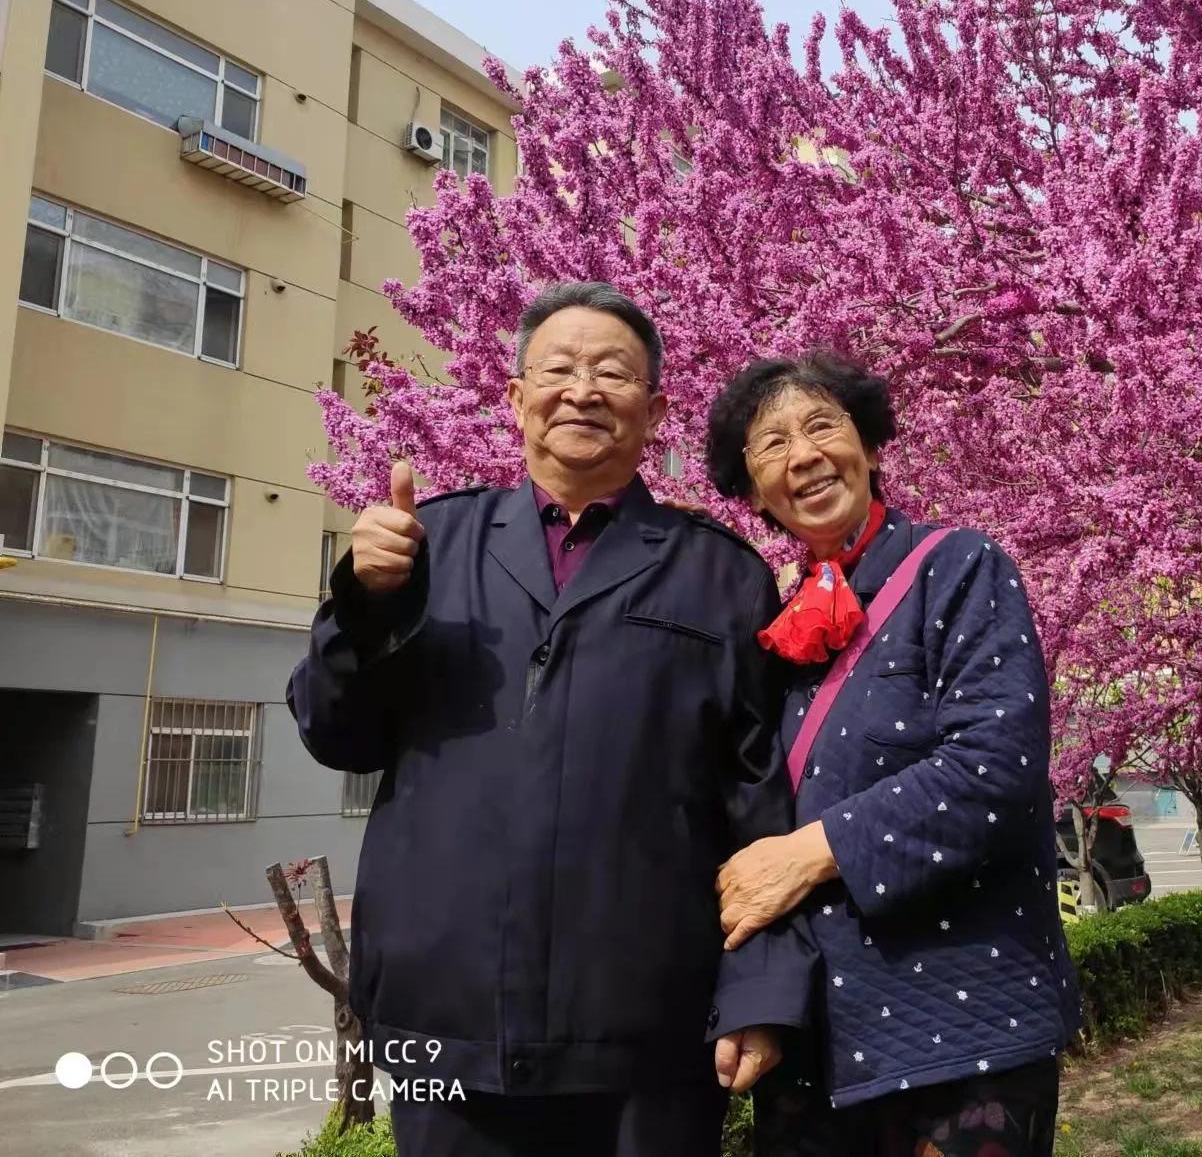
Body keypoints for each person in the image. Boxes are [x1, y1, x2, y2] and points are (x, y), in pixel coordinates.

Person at [288, 283, 814, 1157]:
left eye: (612, 372)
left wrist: (761, 988)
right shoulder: (430, 546)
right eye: (558, 369)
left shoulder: (718, 575)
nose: (583, 390)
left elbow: (760, 807)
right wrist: (364, 606)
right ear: (515, 397)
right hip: (448, 1020)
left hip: (648, 1029)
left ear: (656, 408)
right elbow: (333, 731)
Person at [704, 351, 1081, 1157]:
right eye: (770, 445)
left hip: (965, 1032)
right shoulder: (774, 633)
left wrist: (815, 851)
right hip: (817, 1048)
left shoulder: (960, 567)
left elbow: (994, 767)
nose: (801, 454)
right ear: (753, 491)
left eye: (820, 425)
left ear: (870, 445)